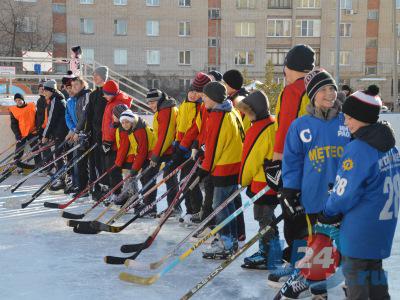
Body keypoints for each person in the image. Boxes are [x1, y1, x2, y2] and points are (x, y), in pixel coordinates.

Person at [272, 69, 351, 299]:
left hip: (344, 197)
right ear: (313, 95)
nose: (329, 94)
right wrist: (290, 189)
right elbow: (293, 161)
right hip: (314, 196)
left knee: (349, 242)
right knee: (319, 244)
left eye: (332, 88)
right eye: (323, 89)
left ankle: (351, 280)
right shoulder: (300, 126)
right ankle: (318, 290)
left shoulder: (347, 121)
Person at [321, 85, 399, 300]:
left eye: (349, 117)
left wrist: (328, 211)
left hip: (359, 230)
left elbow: (345, 192)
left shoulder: (359, 148)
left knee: (356, 281)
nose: (346, 122)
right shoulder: (390, 147)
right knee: (376, 280)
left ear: (364, 117)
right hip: (382, 228)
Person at [265, 45, 315, 283]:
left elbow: (285, 127)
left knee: (294, 216)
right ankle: (304, 264)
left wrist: (277, 161)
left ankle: (300, 267)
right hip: (318, 164)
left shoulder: (295, 90)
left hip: (296, 164)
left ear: (290, 67)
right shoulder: (320, 85)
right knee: (310, 217)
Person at [198, 81, 243, 259]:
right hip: (234, 165)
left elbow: (215, 145)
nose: (203, 99)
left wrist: (205, 168)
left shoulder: (219, 115)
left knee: (219, 206)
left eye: (205, 97)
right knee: (228, 205)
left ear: (214, 98)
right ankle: (231, 240)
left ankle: (226, 243)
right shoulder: (231, 110)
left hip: (224, 167)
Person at [237, 90, 281, 270]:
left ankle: (269, 254)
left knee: (264, 219)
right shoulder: (273, 123)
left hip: (263, 183)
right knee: (268, 219)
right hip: (274, 182)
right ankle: (272, 252)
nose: (246, 116)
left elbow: (250, 160)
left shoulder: (257, 130)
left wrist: (244, 180)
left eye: (247, 112)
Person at [173, 72, 211, 225]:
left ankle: (196, 211)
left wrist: (192, 146)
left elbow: (198, 130)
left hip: (196, 151)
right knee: (185, 181)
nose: (194, 94)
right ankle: (190, 211)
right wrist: (179, 143)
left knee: (192, 182)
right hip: (190, 148)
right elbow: (186, 128)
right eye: (192, 91)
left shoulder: (202, 107)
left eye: (198, 92)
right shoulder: (185, 105)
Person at [114, 109, 157, 215]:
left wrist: (135, 168)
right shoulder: (132, 129)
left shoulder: (139, 130)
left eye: (127, 122)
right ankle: (147, 204)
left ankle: (150, 206)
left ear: (131, 121)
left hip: (152, 156)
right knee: (144, 179)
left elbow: (142, 151)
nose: (124, 125)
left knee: (148, 180)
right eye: (122, 122)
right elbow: (138, 150)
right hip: (146, 155)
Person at [146, 89, 181, 217]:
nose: (151, 105)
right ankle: (151, 205)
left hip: (169, 150)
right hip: (165, 149)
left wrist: (155, 155)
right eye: (149, 103)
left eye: (153, 102)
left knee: (168, 176)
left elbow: (165, 136)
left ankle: (174, 207)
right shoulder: (163, 109)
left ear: (160, 100)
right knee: (157, 174)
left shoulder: (166, 111)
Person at [102, 79, 132, 202]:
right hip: (111, 141)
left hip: (114, 144)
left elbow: (114, 125)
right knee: (111, 169)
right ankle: (116, 192)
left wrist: (108, 141)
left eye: (106, 94)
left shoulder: (117, 103)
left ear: (113, 93)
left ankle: (118, 193)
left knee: (114, 169)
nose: (104, 96)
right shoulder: (113, 100)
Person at [86, 66, 109, 201]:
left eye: (96, 75)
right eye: (93, 75)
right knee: (94, 162)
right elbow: (89, 114)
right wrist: (86, 130)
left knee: (104, 163)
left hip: (105, 135)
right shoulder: (94, 94)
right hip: (94, 134)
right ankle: (96, 188)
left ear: (103, 76)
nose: (94, 77)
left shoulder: (108, 92)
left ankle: (106, 188)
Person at [42, 80, 68, 190]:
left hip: (60, 132)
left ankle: (62, 180)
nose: (44, 93)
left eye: (45, 90)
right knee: (61, 155)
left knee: (59, 156)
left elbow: (51, 119)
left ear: (51, 90)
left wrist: (45, 135)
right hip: (60, 132)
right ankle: (64, 178)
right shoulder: (57, 98)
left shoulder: (55, 100)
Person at [9, 93, 39, 173]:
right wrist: (17, 135)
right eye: (16, 100)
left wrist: (38, 129)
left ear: (23, 99)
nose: (18, 102)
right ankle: (18, 166)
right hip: (21, 134)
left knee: (36, 150)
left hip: (33, 132)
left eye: (19, 100)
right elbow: (14, 124)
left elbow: (37, 118)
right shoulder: (13, 110)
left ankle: (38, 166)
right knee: (18, 151)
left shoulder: (32, 106)